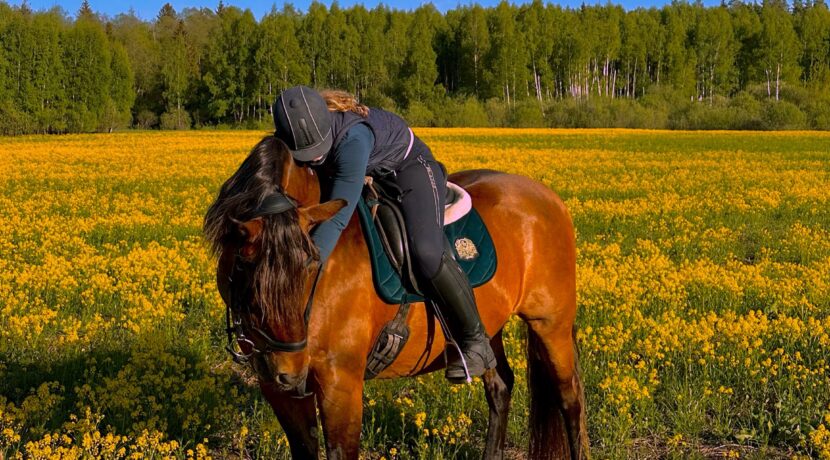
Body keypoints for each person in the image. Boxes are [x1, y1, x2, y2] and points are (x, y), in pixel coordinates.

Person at [272, 85, 495, 382]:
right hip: (367, 169)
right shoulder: (292, 137)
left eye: (318, 151)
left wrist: (305, 266)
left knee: (426, 252)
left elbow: (338, 218)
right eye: (306, 154)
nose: (313, 158)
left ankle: (475, 341)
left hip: (408, 167)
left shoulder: (353, 139)